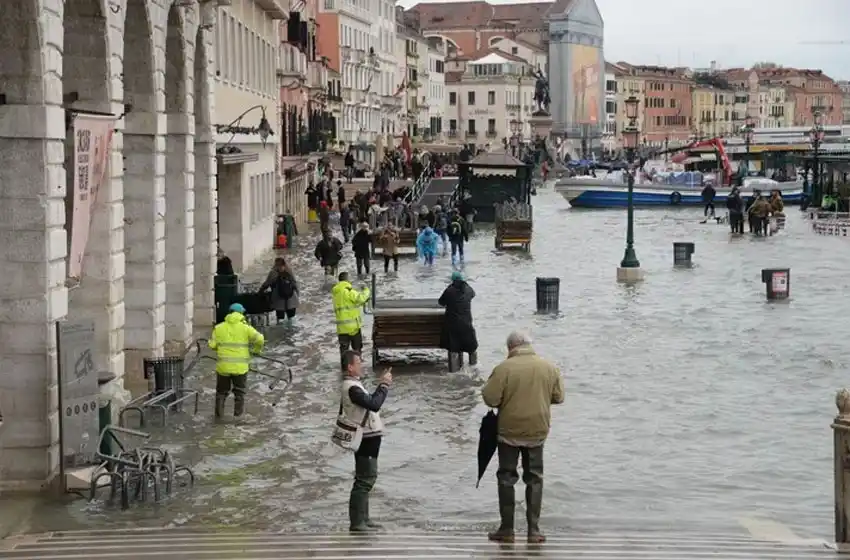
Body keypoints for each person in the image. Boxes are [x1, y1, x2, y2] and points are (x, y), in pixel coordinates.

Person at [481, 331, 564, 544]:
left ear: (511, 347)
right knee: (535, 478)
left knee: (506, 477)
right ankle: (534, 530)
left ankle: (507, 529)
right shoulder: (549, 367)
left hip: (509, 432)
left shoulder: (503, 369)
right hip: (537, 430)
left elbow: (490, 399)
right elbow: (559, 397)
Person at [340, 350, 392, 532]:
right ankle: (357, 522)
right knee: (365, 480)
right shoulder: (352, 388)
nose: (362, 365)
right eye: (359, 362)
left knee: (366, 478)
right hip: (365, 439)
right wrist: (384, 385)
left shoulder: (354, 385)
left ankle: (364, 518)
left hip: (367, 438)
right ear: (350, 367)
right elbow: (374, 403)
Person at [208, 303, 265, 418]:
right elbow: (260, 339)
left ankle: (219, 417)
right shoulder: (246, 328)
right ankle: (237, 418)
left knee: (221, 393)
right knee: (239, 393)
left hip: (223, 367)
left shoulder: (219, 328)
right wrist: (256, 350)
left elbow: (213, 345)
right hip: (240, 368)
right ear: (241, 314)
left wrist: (215, 345)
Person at [331, 272, 371, 371]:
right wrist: (366, 289)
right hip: (353, 327)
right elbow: (361, 298)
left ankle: (344, 370)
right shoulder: (348, 290)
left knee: (344, 350)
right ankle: (357, 369)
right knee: (357, 349)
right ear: (347, 280)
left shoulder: (336, 293)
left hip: (341, 328)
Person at [438, 271, 478, 363]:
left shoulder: (449, 290)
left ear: (452, 280)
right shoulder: (468, 289)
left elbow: (441, 302)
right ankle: (473, 368)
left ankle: (454, 370)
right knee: (471, 347)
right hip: (467, 324)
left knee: (453, 347)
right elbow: (473, 295)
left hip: (453, 327)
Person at [259, 257, 298, 324]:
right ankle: (291, 333)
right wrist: (297, 295)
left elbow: (267, 283)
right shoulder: (289, 270)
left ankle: (281, 333)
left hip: (279, 300)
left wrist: (260, 291)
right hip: (292, 299)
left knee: (280, 320)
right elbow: (295, 284)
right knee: (291, 319)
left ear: (276, 264)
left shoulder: (273, 272)